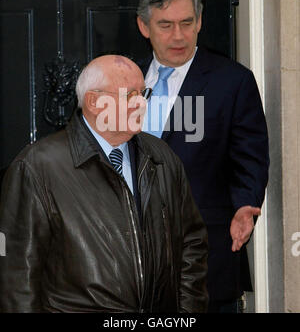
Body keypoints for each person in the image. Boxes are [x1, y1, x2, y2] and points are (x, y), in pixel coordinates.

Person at [0, 55, 208, 313]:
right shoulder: (37, 167)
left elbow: (192, 244)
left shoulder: (161, 157)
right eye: (129, 95)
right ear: (95, 102)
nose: (141, 103)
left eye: (143, 93)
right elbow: (18, 275)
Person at [136, 0, 269, 313]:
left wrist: (245, 204)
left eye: (186, 22)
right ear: (144, 26)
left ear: (199, 22)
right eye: (165, 25)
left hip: (205, 258)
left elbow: (250, 156)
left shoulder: (232, 81)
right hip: (131, 261)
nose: (178, 35)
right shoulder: (124, 79)